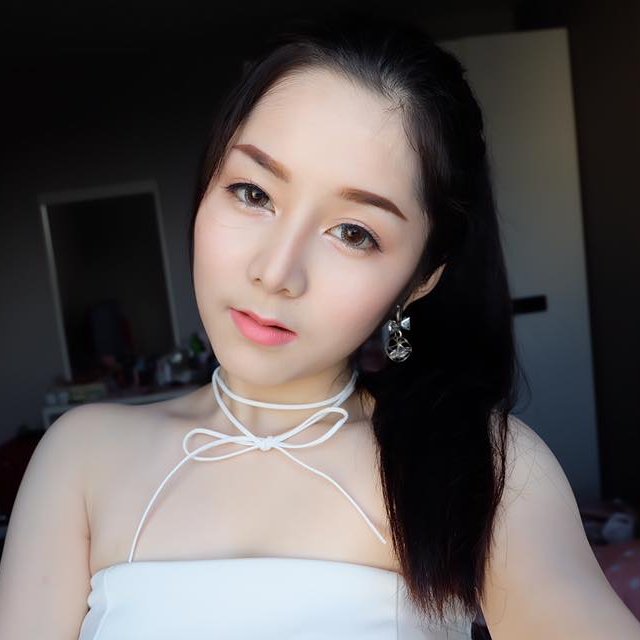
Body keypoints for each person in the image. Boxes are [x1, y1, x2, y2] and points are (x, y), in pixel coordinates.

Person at [1, 13, 639, 640]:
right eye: (253, 193)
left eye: (354, 233)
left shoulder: (484, 465)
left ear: (420, 279)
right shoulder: (81, 456)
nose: (276, 272)